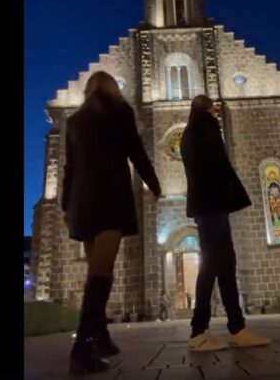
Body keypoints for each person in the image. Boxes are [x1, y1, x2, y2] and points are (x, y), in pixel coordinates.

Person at [62, 71, 163, 375]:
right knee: (101, 275)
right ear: (111, 89)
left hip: (82, 204)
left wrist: (67, 206)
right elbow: (136, 151)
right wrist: (154, 183)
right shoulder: (120, 112)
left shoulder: (75, 120)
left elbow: (69, 167)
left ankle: (102, 337)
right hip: (108, 199)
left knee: (97, 270)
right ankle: (82, 349)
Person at [180, 95, 271, 351]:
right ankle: (200, 331)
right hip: (213, 206)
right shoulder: (206, 127)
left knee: (223, 265)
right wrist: (232, 195)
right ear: (208, 109)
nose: (217, 114)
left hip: (206, 207)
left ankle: (236, 327)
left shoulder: (189, 132)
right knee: (213, 266)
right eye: (215, 110)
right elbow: (218, 165)